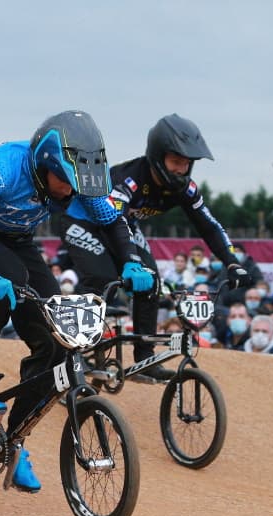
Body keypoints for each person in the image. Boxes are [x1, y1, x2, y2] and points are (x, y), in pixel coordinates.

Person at [0, 110, 154, 493]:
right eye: (64, 184)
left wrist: (132, 262)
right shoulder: (1, 168)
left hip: (19, 241)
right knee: (8, 280)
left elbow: (112, 221)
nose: (70, 193)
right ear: (43, 165)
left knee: (57, 338)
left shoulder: (74, 181)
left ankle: (12, 440)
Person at [60, 114, 251, 382]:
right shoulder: (127, 181)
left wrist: (232, 262)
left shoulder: (185, 188)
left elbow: (208, 225)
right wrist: (131, 263)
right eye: (176, 162)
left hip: (124, 225)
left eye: (187, 163)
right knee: (101, 279)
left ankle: (144, 358)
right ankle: (67, 352)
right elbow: (117, 224)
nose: (181, 170)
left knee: (150, 282)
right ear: (157, 156)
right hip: (84, 221)